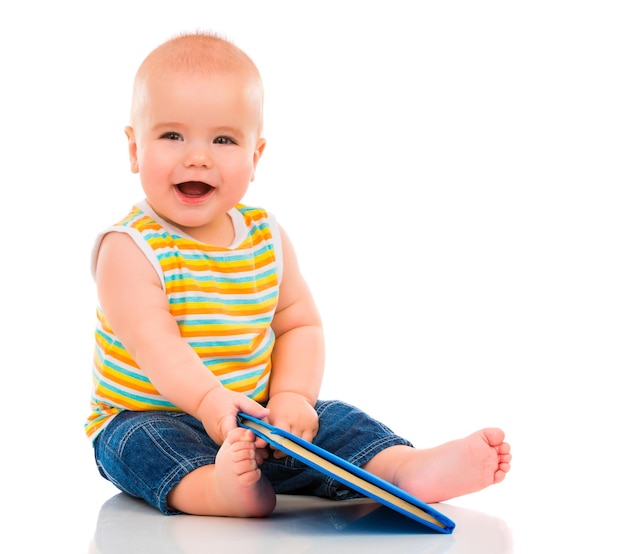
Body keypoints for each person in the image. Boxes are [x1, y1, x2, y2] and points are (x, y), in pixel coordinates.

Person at [85, 31, 511, 518]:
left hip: (258, 419)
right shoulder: (129, 248)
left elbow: (298, 324)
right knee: (142, 446)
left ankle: (401, 469)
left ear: (255, 156)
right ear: (134, 148)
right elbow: (155, 346)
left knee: (333, 421)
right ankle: (217, 490)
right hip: (157, 412)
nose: (197, 156)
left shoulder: (265, 236)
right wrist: (209, 403)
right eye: (172, 135)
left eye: (223, 139)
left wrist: (291, 399)